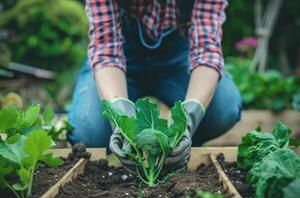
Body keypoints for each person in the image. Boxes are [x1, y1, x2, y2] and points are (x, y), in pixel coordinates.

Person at [68, 0, 242, 172]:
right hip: (122, 58)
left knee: (223, 109)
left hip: (180, 58)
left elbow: (207, 51)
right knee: (88, 132)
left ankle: (180, 149)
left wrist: (187, 121)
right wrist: (121, 120)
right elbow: (106, 51)